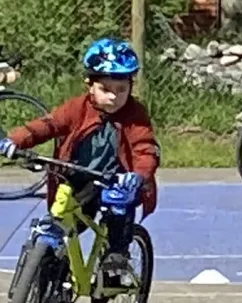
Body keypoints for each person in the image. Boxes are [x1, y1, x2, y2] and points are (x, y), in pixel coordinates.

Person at [0, 38, 160, 282]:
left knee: (118, 206)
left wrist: (139, 175)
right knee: (58, 223)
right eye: (105, 89)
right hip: (76, 177)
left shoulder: (135, 114)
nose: (114, 97)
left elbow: (145, 148)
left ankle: (116, 255)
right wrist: (15, 141)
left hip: (116, 180)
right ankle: (49, 274)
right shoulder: (76, 108)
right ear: (90, 85)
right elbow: (48, 125)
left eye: (122, 90)